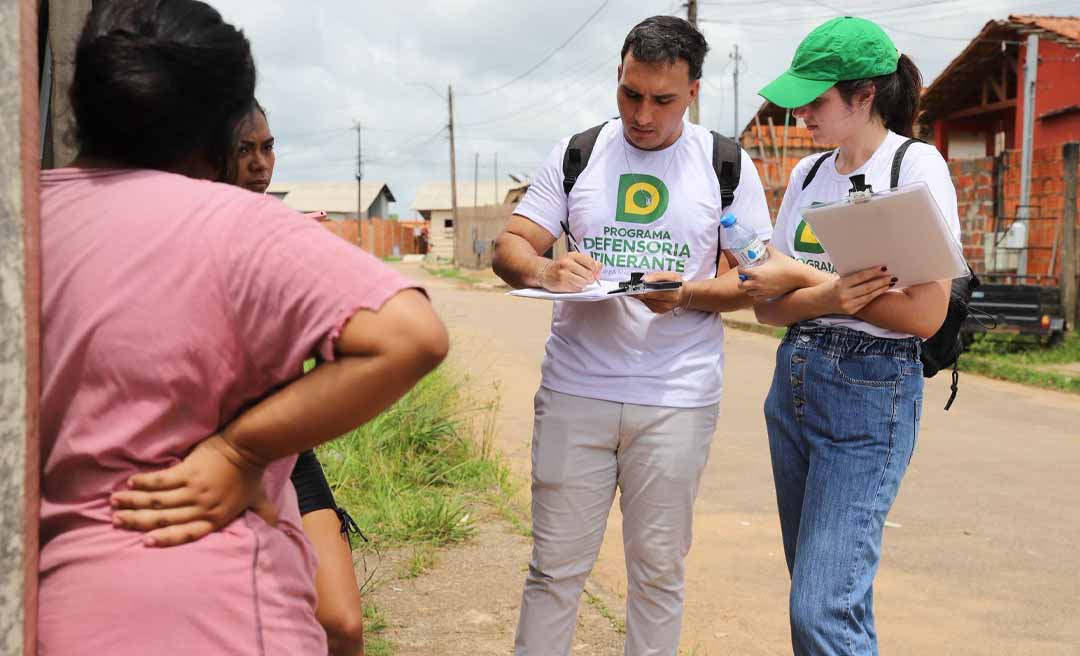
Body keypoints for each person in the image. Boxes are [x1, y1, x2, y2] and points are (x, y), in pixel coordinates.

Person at [38, 2, 447, 654]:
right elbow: (414, 336)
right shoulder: (238, 223)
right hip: (223, 607)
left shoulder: (26, 218)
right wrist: (240, 452)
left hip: (62, 608)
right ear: (219, 127)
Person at [491, 16, 771, 656]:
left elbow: (759, 277)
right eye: (630, 93)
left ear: (693, 92)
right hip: (574, 394)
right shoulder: (578, 152)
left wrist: (689, 294)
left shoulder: (725, 163)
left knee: (657, 575)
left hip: (677, 400)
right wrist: (545, 267)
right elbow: (510, 247)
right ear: (619, 78)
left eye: (662, 100)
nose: (642, 115)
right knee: (554, 571)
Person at [740, 16, 962, 655]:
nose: (803, 112)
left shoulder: (913, 166)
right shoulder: (810, 177)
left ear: (864, 95)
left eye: (818, 98)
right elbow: (768, 309)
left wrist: (815, 287)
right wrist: (833, 294)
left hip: (872, 390)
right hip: (796, 380)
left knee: (820, 610)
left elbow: (925, 315)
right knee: (830, 600)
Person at [232, 99, 369, 655]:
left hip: (286, 450)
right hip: (200, 450)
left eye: (268, 147)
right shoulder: (184, 236)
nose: (261, 163)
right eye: (244, 149)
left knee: (342, 623)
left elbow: (334, 354)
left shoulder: (296, 236)